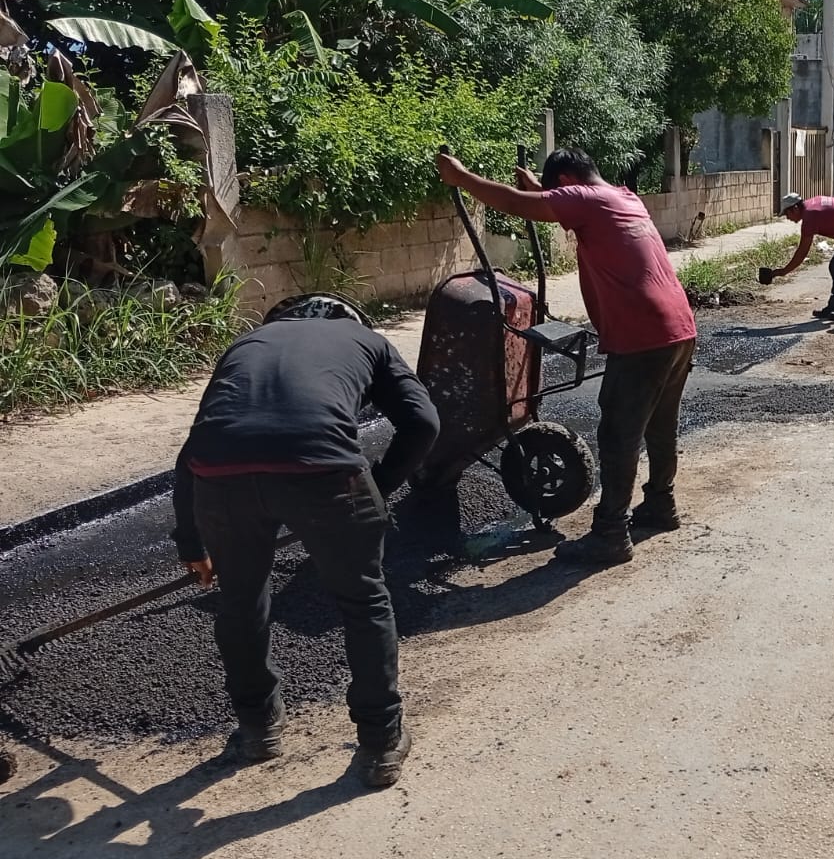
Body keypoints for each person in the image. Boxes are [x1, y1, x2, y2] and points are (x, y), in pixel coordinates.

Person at [171, 293, 440, 787]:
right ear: (349, 317)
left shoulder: (245, 344)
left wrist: (191, 545)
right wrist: (377, 488)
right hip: (327, 474)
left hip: (220, 479)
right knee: (363, 600)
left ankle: (257, 730)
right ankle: (380, 742)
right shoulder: (368, 341)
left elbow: (196, 448)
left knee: (240, 599)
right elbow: (423, 422)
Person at [436, 147, 697, 567]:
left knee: (618, 436)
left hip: (643, 335)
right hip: (679, 328)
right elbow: (571, 212)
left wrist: (462, 178)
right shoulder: (623, 197)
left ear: (564, 183)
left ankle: (610, 534)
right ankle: (660, 506)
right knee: (660, 427)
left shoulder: (585, 200)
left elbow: (516, 204)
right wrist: (544, 193)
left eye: (554, 192)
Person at [773, 192, 834, 321]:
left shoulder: (810, 216)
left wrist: (783, 271)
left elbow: (802, 252)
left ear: (795, 208)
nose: (787, 218)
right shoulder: (810, 206)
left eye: (787, 214)